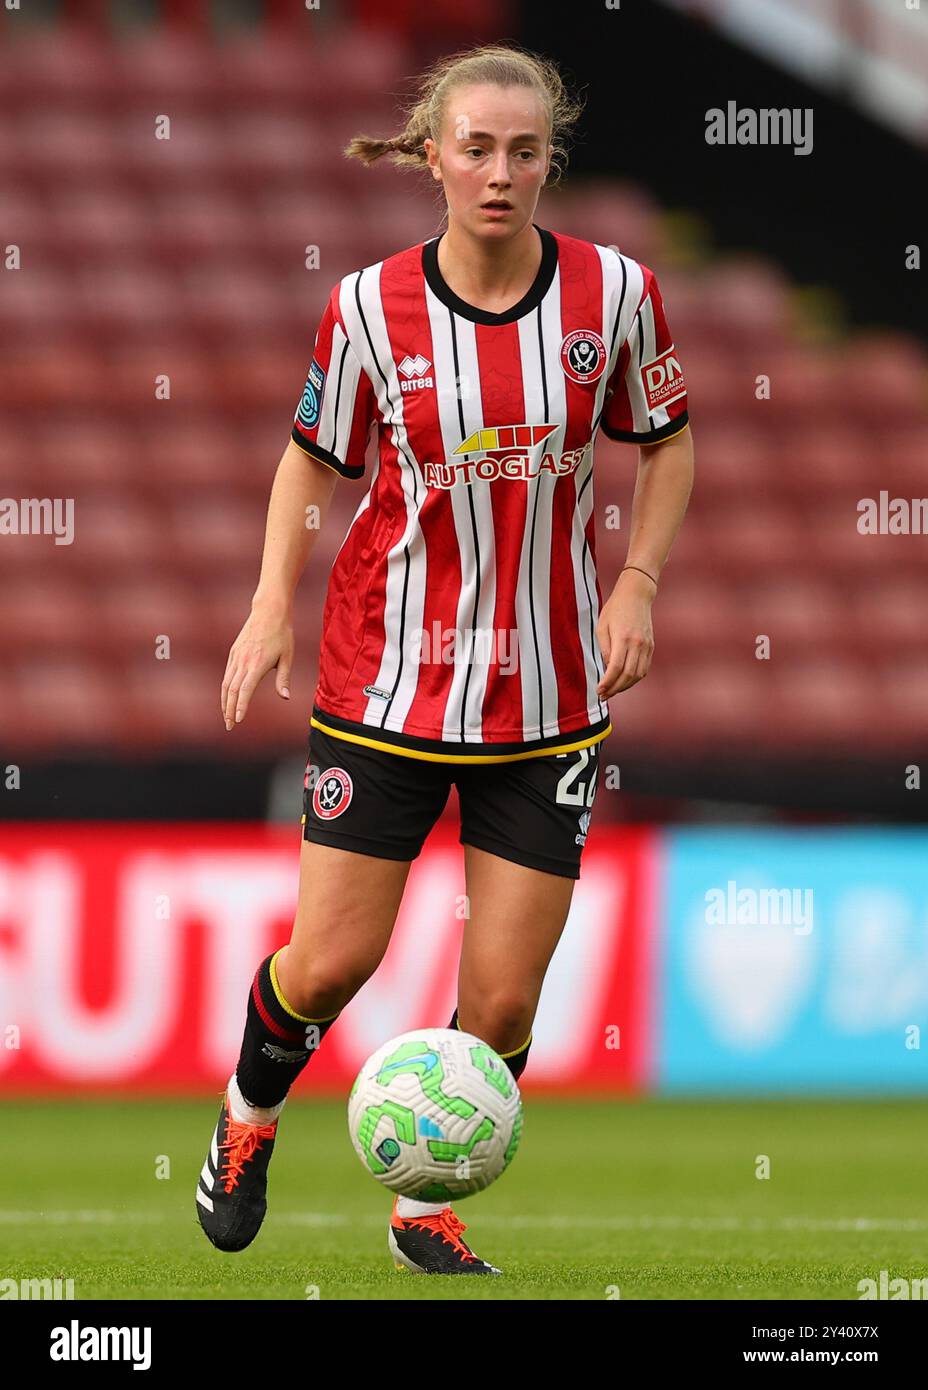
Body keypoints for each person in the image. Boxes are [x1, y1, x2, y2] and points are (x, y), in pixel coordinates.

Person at [196, 42, 694, 1275]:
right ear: (432, 157)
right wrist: (269, 604)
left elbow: (666, 442)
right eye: (474, 147)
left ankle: (423, 1204)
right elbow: (310, 461)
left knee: (509, 1004)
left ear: (548, 162)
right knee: (330, 964)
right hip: (385, 681)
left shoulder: (617, 295)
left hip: (552, 689)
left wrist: (637, 581)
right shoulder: (369, 308)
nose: (500, 172)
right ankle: (246, 1123)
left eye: (524, 151)